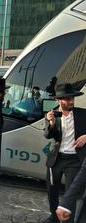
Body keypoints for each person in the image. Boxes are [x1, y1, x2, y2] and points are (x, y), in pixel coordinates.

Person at [42, 83, 86, 223]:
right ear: (58, 100)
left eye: (72, 98)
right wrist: (52, 123)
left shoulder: (82, 114)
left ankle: (69, 221)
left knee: (70, 194)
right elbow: (48, 135)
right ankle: (54, 217)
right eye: (67, 99)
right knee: (52, 191)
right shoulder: (52, 115)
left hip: (75, 160)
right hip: (57, 160)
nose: (71, 101)